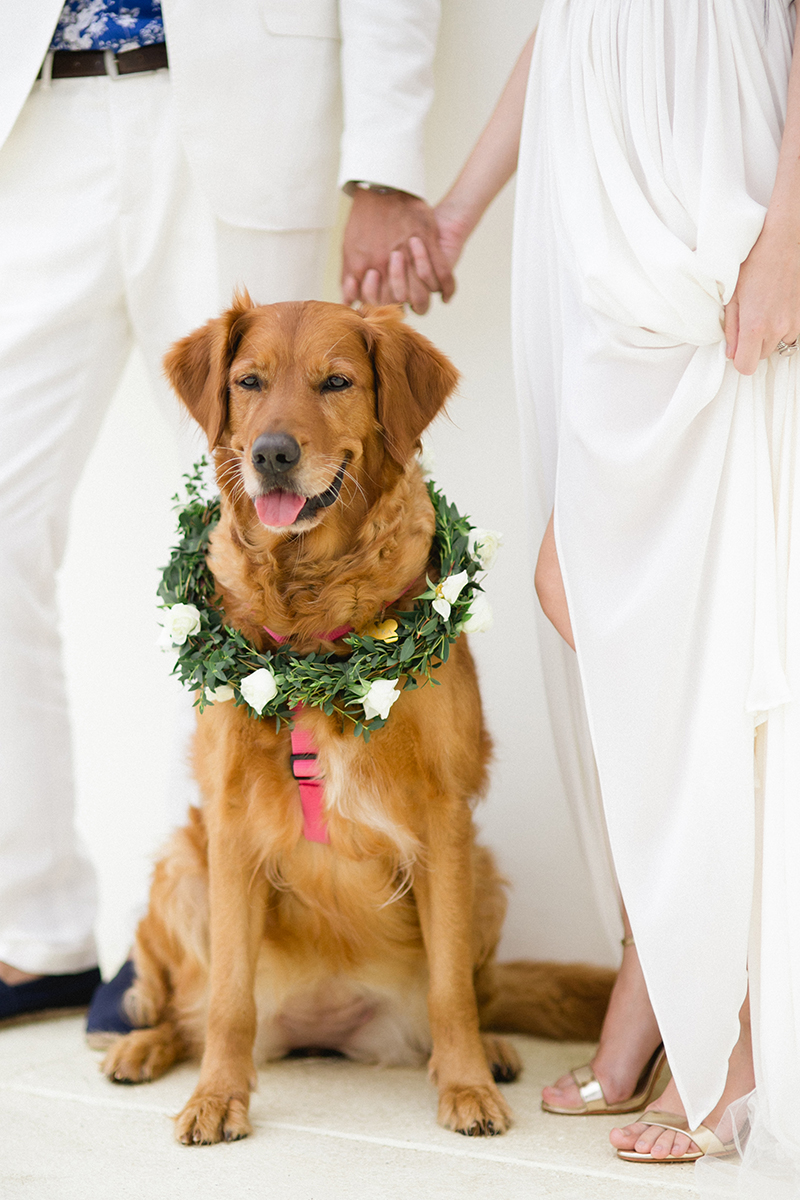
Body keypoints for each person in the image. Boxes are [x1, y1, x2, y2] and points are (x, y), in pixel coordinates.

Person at [404, 1, 800, 1192]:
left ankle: (725, 1024)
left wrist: (784, 232)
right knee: (603, 593)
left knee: (695, 602)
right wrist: (462, 205)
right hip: (587, 185)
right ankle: (657, 971)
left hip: (696, 159)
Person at [0, 0, 453, 1026]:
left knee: (269, 530)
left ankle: (197, 941)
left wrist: (385, 162)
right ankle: (34, 929)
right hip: (30, 116)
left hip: (246, 104)